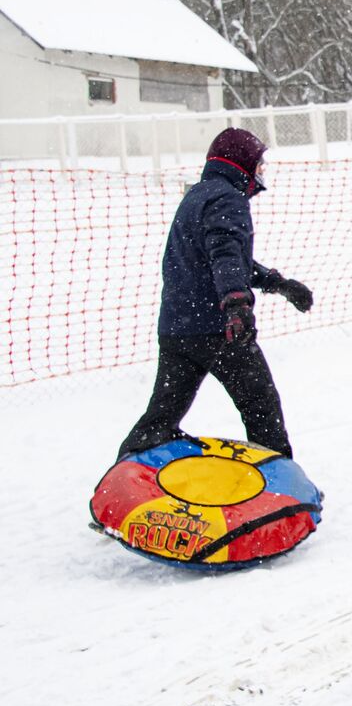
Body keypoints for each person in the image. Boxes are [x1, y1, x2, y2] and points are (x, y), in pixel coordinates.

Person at [118, 128, 313, 460]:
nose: (261, 171)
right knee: (261, 407)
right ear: (240, 164)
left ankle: (121, 484)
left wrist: (277, 283)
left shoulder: (197, 195)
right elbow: (224, 253)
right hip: (216, 329)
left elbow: (223, 257)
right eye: (258, 164)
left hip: (178, 331)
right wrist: (236, 304)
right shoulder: (228, 198)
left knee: (161, 417)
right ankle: (278, 491)